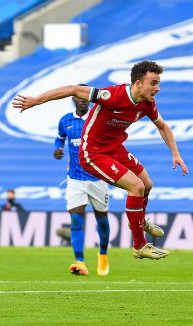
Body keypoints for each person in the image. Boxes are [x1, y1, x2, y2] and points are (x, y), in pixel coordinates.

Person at [13, 60, 188, 260]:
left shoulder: (147, 104)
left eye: (158, 83)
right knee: (136, 186)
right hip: (93, 152)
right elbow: (73, 89)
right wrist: (36, 100)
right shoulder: (112, 95)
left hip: (115, 148)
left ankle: (138, 221)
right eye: (153, 83)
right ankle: (140, 245)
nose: (157, 88)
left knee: (147, 184)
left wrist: (176, 154)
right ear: (138, 83)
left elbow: (163, 126)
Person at [53, 88, 111, 276]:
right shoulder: (65, 121)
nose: (83, 100)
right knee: (76, 219)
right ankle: (80, 261)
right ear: (73, 100)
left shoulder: (98, 118)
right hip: (75, 178)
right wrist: (57, 149)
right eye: (79, 97)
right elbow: (59, 139)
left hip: (98, 177)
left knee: (101, 219)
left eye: (86, 97)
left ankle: (103, 254)